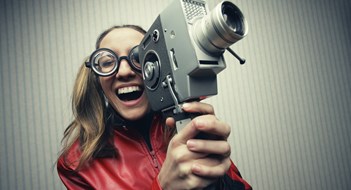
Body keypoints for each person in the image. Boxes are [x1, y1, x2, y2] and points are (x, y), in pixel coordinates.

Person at [57, 24, 252, 190]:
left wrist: (217, 178)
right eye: (108, 62)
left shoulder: (189, 126)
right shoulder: (75, 164)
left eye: (139, 58)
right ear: (97, 78)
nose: (124, 71)